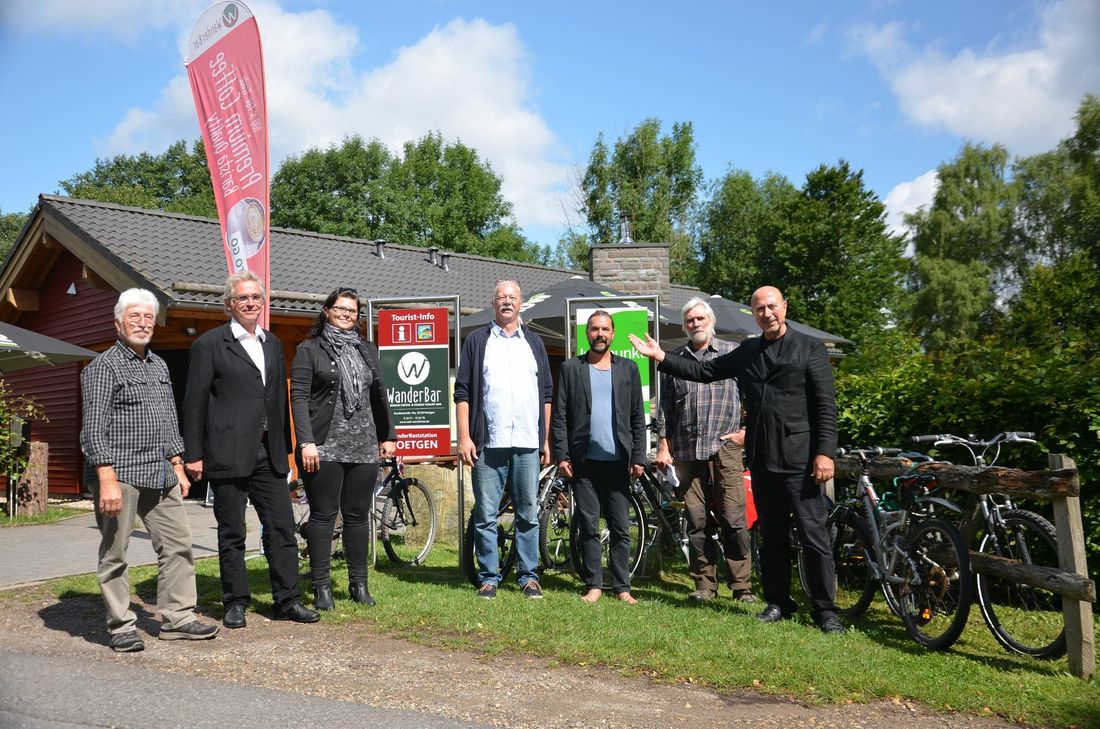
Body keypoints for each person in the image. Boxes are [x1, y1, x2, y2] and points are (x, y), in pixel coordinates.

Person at [630, 286, 844, 633]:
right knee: (772, 537)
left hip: (801, 460)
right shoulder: (748, 351)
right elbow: (704, 372)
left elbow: (825, 406)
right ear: (754, 314)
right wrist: (661, 357)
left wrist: (825, 453)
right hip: (761, 458)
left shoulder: (809, 348)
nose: (767, 313)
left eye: (772, 307)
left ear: (784, 307)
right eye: (759, 309)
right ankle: (779, 602)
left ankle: (825, 611)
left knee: (813, 536)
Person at [80, 288, 220, 652]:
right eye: (134, 317)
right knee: (115, 553)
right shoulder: (102, 368)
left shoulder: (158, 365)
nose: (142, 324)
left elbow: (168, 420)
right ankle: (120, 625)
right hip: (120, 474)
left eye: (147, 317)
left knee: (178, 546)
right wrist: (106, 479)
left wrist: (177, 464)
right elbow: (93, 429)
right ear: (118, 323)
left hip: (160, 473)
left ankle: (178, 618)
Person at [182, 271, 319, 628]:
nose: (250, 303)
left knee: (283, 529)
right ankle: (235, 602)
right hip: (227, 452)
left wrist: (287, 452)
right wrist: (193, 454)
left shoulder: (272, 343)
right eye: (243, 298)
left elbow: (277, 400)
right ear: (229, 304)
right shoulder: (210, 344)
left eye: (256, 297)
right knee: (232, 533)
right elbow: (194, 403)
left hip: (269, 454)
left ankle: (287, 600)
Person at [290, 288, 397, 610]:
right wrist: (306, 442)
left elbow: (380, 394)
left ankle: (358, 584)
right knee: (323, 516)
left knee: (356, 517)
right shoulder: (309, 350)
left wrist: (388, 435)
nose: (347, 314)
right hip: (324, 445)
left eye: (352, 310)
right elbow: (299, 398)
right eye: (341, 308)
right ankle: (322, 587)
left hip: (364, 446)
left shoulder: (366, 349)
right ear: (327, 310)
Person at [455, 280, 553, 599]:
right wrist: (464, 437)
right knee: (485, 514)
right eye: (501, 297)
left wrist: (546, 439)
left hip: (527, 441)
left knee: (527, 512)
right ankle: (489, 577)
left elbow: (547, 395)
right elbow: (463, 392)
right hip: (487, 443)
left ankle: (528, 576)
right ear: (493, 303)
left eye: (512, 297)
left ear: (520, 303)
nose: (507, 302)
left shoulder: (535, 342)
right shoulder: (477, 341)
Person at [655, 297, 754, 604]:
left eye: (700, 319)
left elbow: (754, 396)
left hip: (724, 448)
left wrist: (745, 433)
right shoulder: (675, 359)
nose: (695, 324)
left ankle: (742, 587)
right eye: (690, 320)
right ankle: (705, 585)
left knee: (733, 518)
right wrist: (663, 445)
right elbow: (665, 409)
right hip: (686, 450)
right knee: (697, 522)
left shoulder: (732, 353)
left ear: (711, 321)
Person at [553, 311, 646, 604]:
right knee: (589, 527)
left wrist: (639, 457)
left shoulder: (628, 369)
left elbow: (636, 417)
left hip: (619, 462)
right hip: (584, 462)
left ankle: (622, 587)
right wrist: (561, 454)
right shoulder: (571, 368)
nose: (600, 334)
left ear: (613, 333)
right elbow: (560, 415)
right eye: (594, 329)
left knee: (620, 527)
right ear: (587, 333)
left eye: (605, 329)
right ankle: (593, 584)